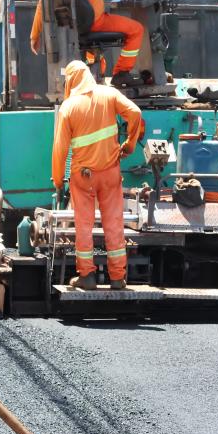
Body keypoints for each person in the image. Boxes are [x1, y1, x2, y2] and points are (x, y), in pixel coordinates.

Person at [52, 60, 142, 290]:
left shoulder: (68, 108)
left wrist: (58, 179)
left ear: (71, 80)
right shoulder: (109, 94)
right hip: (110, 173)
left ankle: (87, 277)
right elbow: (135, 112)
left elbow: (60, 149)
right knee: (114, 223)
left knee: (84, 225)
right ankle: (118, 278)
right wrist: (130, 144)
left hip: (83, 177)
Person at [29, 0, 144, 88]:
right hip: (97, 23)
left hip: (69, 30)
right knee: (136, 29)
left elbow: (42, 4)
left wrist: (34, 36)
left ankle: (96, 78)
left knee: (96, 58)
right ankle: (121, 73)